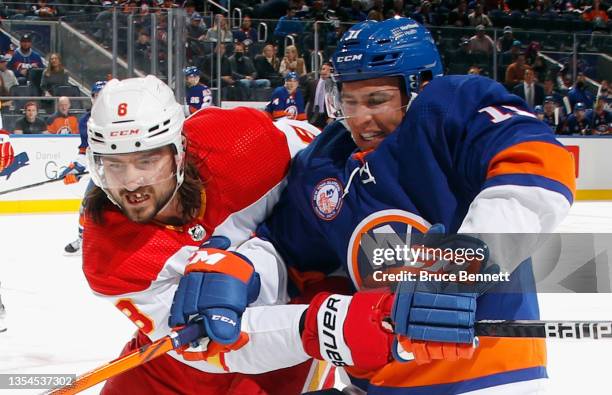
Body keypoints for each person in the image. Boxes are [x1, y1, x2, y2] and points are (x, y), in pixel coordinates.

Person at [248, 17, 574, 394]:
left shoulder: (450, 110)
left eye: (377, 100)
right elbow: (291, 255)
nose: (361, 119)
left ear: (419, 87)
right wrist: (242, 270)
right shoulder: (326, 161)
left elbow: (538, 165)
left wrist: (468, 258)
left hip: (487, 376)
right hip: (374, 381)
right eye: (348, 101)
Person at [81, 75, 322, 394]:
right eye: (114, 165)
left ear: (178, 152)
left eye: (146, 161)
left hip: (286, 329)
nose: (130, 183)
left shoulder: (240, 141)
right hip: (188, 357)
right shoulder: (108, 251)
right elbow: (203, 350)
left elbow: (327, 158)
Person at [62, 80, 107, 255]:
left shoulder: (121, 119)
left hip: (121, 172)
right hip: (99, 173)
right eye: (97, 95)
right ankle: (82, 240)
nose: (100, 99)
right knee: (87, 206)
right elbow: (84, 150)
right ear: (92, 98)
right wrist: (75, 168)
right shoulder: (86, 121)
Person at [305, 61, 332, 128]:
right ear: (320, 71)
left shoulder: (334, 85)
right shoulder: (312, 83)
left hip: (327, 117)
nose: (325, 72)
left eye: (328, 70)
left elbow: (337, 103)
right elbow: (305, 99)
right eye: (323, 69)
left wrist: (332, 117)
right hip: (313, 115)